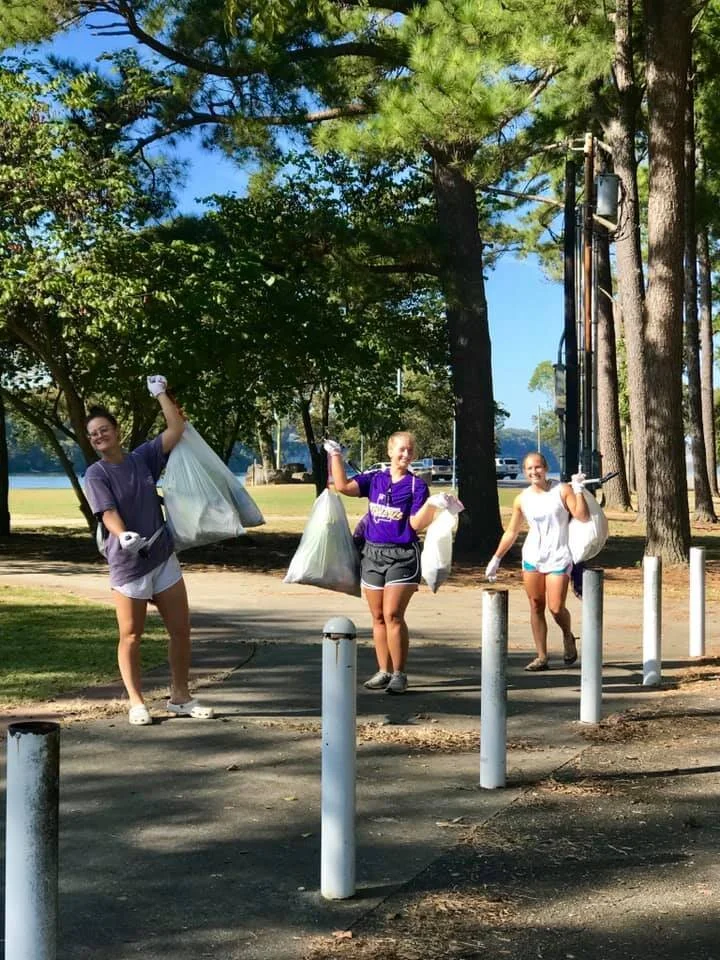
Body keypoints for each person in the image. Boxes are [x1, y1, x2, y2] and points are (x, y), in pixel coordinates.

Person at [83, 376, 214, 725]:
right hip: (128, 564)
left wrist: (160, 393)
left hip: (161, 556)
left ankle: (180, 697)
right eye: (93, 434)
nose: (99, 436)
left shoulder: (142, 458)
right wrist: (123, 534)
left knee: (181, 629)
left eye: (104, 429)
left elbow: (177, 427)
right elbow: (107, 512)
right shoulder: (95, 474)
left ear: (117, 430)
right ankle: (136, 702)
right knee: (131, 635)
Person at [325, 432, 453, 694]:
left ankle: (399, 674)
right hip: (372, 554)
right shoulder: (375, 479)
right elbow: (343, 486)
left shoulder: (417, 486)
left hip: (403, 556)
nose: (406, 454)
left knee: (393, 614)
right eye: (401, 449)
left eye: (410, 450)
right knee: (378, 616)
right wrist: (335, 454)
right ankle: (383, 670)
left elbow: (415, 525)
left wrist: (432, 505)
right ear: (390, 451)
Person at [485, 452, 590, 672]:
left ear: (546, 468)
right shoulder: (522, 499)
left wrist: (579, 489)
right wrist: (496, 558)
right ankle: (541, 656)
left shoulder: (562, 490)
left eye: (538, 467)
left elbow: (582, 516)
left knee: (555, 607)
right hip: (533, 556)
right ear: (525, 472)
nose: (534, 472)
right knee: (535, 604)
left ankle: (567, 635)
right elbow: (512, 531)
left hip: (559, 555)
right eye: (530, 469)